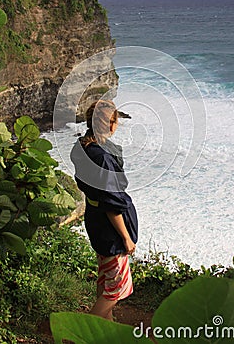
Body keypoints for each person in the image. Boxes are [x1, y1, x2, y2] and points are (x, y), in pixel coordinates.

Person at [70, 100, 138, 320]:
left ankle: (105, 330)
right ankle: (86, 330)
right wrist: (126, 238)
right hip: (110, 230)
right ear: (111, 125)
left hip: (95, 221)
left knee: (106, 278)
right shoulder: (103, 158)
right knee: (117, 287)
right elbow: (112, 205)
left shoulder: (82, 146)